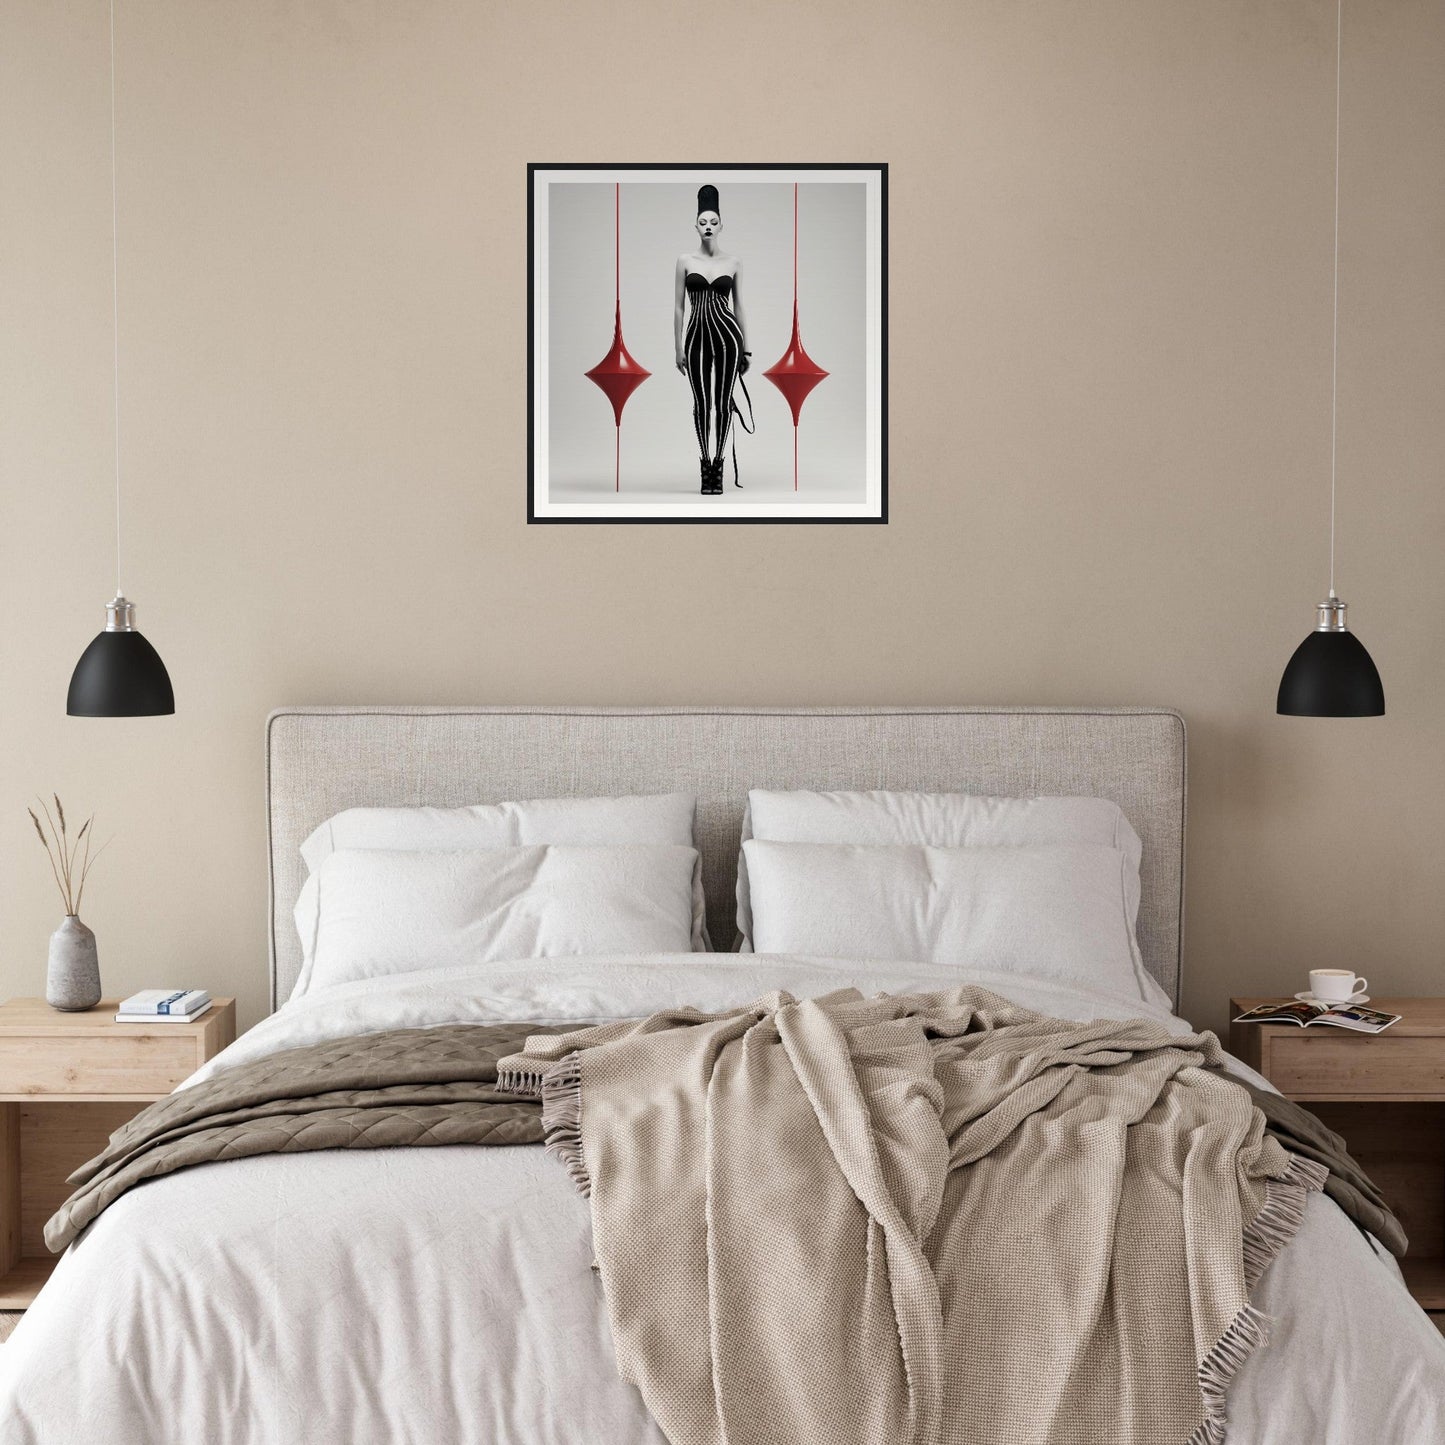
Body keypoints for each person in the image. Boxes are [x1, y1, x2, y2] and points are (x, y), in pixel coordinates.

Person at [674, 183, 752, 493]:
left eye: (714, 222)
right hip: (695, 337)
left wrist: (746, 348)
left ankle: (717, 468)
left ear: (721, 225)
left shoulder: (733, 262)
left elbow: (740, 305)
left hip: (728, 337)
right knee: (700, 403)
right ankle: (704, 463)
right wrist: (677, 346)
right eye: (703, 222)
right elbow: (679, 307)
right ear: (695, 225)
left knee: (722, 402)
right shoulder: (684, 261)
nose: (708, 227)